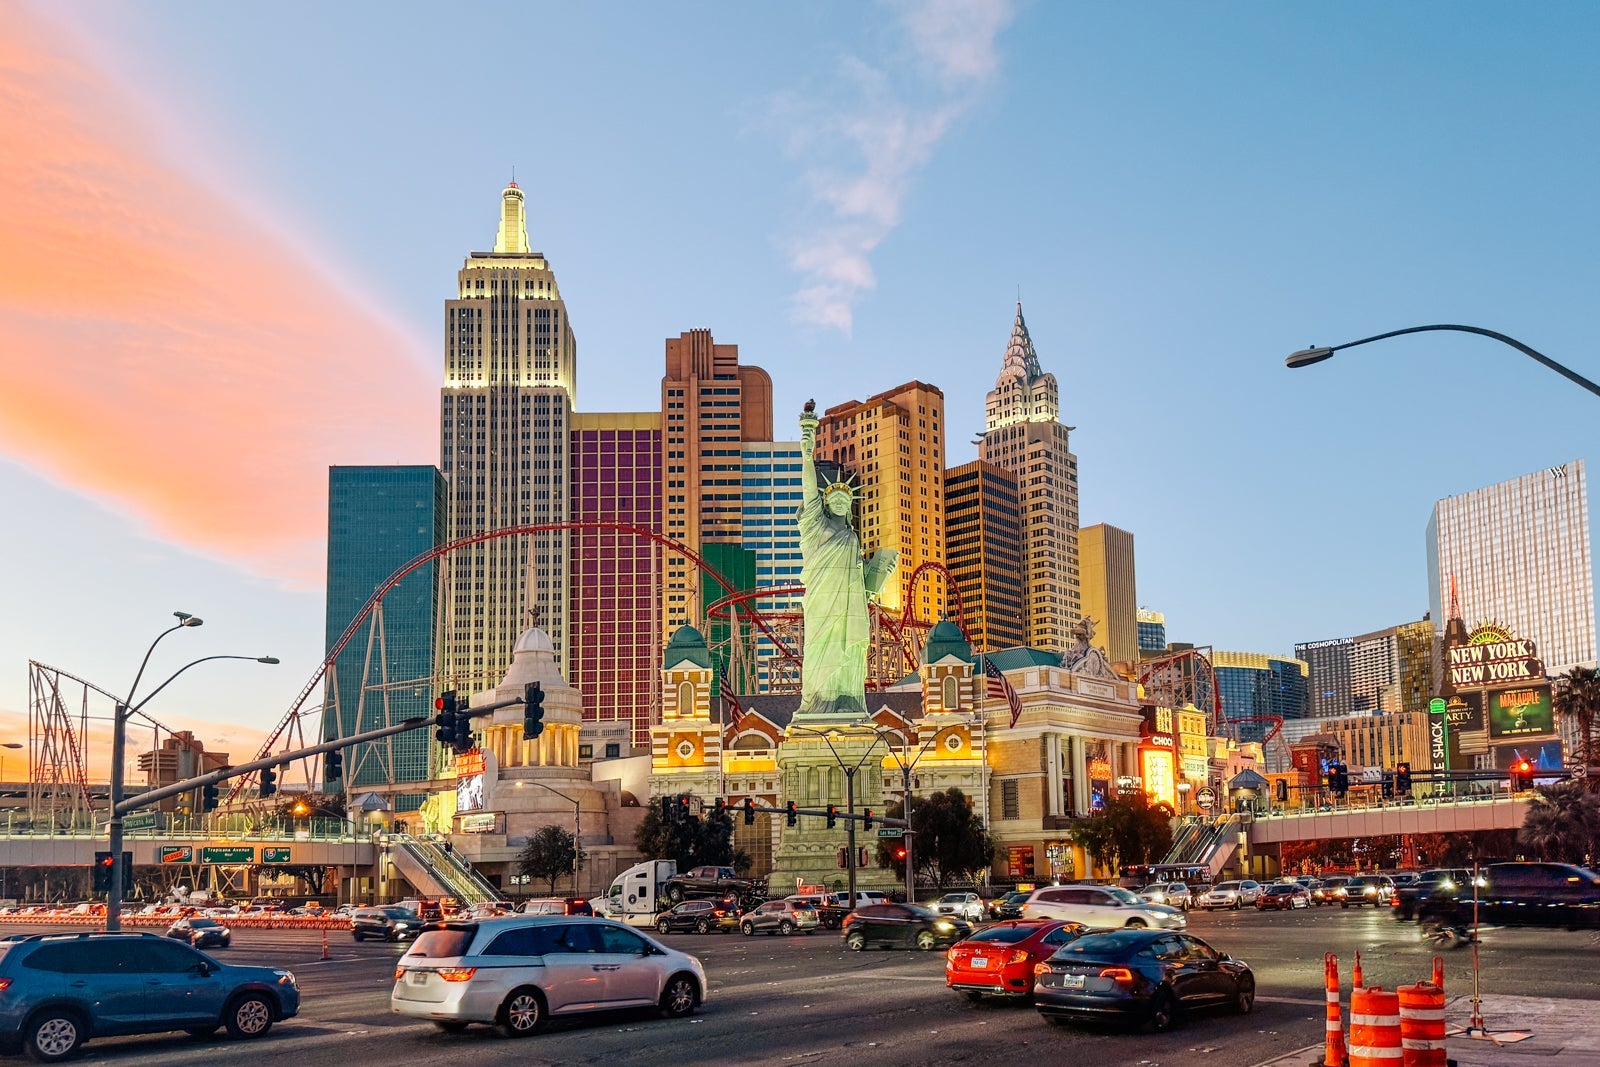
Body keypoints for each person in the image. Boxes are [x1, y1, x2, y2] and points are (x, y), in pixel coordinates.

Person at [795, 400, 896, 721]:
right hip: (823, 600)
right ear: (826, 503)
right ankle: (820, 703)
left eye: (846, 498)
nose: (840, 501)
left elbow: (860, 575)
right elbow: (809, 488)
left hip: (850, 602)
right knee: (822, 648)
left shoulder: (852, 537)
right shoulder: (816, 525)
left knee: (851, 649)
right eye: (834, 498)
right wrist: (806, 449)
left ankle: (847, 699)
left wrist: (877, 574)